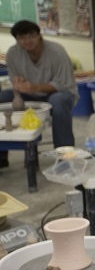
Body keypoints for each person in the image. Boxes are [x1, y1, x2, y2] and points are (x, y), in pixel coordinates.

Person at [0, 20, 77, 169]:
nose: (27, 41)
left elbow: (63, 85)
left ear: (39, 35)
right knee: (3, 98)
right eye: (22, 38)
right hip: (30, 93)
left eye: (31, 36)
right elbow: (15, 81)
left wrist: (33, 87)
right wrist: (18, 84)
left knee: (59, 102)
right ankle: (1, 154)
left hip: (60, 92)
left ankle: (65, 156)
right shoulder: (13, 53)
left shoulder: (56, 52)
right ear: (16, 40)